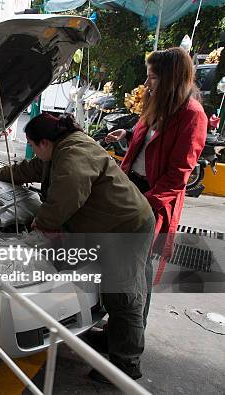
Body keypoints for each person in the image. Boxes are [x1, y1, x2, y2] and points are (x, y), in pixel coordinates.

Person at [0, 113, 155, 382]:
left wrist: (40, 223)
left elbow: (66, 195)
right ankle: (113, 339)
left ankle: (126, 365)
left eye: (32, 145)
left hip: (126, 228)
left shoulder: (73, 153)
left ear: (44, 142)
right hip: (109, 226)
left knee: (124, 294)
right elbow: (29, 169)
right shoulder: (59, 148)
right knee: (113, 289)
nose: (33, 150)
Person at [106, 47, 208, 324]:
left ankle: (128, 349)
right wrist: (127, 133)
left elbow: (178, 175)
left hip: (153, 200)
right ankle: (118, 331)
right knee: (120, 267)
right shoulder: (158, 103)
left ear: (172, 78)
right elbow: (151, 142)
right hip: (133, 190)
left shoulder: (192, 114)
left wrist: (145, 204)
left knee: (137, 272)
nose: (147, 83)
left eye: (153, 77)